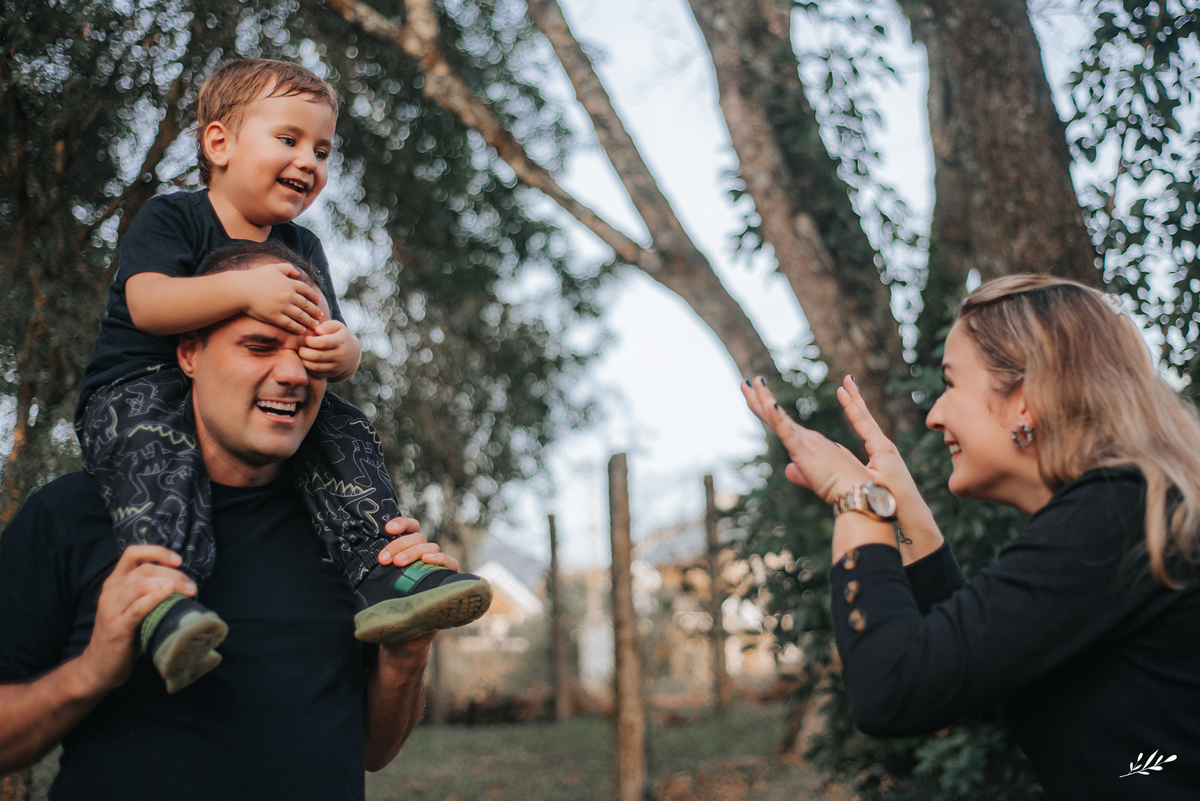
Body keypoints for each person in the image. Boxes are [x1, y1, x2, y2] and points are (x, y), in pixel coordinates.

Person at [75, 58, 489, 693]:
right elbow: (148, 304)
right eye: (289, 140)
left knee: (343, 427)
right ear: (219, 144)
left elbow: (330, 336)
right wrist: (246, 290)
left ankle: (385, 570)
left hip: (249, 399)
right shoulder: (174, 218)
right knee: (159, 466)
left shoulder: (303, 248)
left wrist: (342, 352)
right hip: (136, 389)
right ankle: (163, 605)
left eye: (322, 149)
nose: (309, 162)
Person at [0, 243, 452, 798]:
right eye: (260, 346)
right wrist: (91, 670)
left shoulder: (356, 533)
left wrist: (408, 653)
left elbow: (374, 752)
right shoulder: (67, 516)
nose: (292, 374)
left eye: (311, 353)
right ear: (190, 352)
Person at [742, 275, 1200, 800]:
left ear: (1025, 400)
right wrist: (903, 511)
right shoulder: (1129, 510)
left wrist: (858, 499)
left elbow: (894, 688)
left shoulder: (1117, 516)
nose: (935, 415)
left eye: (952, 383)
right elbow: (978, 671)